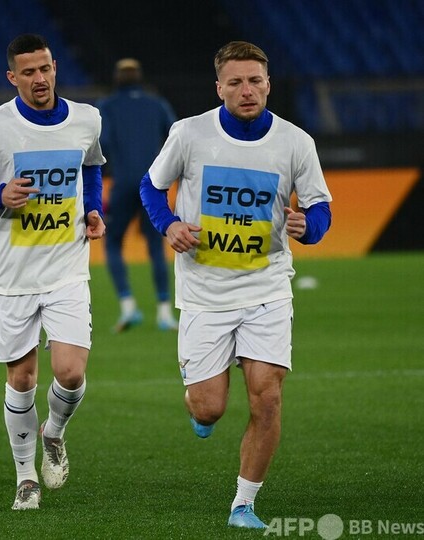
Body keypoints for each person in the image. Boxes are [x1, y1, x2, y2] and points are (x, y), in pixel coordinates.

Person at [140, 41, 332, 528]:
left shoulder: (296, 142)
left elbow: (320, 208)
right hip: (205, 294)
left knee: (267, 396)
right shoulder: (189, 133)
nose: (247, 90)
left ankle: (243, 504)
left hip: (267, 289)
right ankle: (199, 411)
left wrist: (308, 227)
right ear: (219, 87)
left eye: (255, 81)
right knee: (210, 409)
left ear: (268, 84)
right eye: (236, 82)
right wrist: (169, 224)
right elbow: (151, 185)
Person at [0, 33, 106, 510]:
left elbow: (92, 166)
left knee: (71, 373)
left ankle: (53, 432)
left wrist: (93, 209)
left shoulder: (86, 118)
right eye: (29, 72)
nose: (40, 79)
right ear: (12, 77)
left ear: (55, 68)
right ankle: (26, 478)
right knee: (21, 380)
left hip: (67, 268)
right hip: (12, 277)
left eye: (45, 69)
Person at [96, 58, 179, 333]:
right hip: (152, 184)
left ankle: (128, 305)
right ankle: (165, 312)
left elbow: (103, 142)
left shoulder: (107, 106)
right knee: (155, 246)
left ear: (116, 79)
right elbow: (176, 136)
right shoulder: (157, 104)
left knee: (112, 243)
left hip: (122, 184)